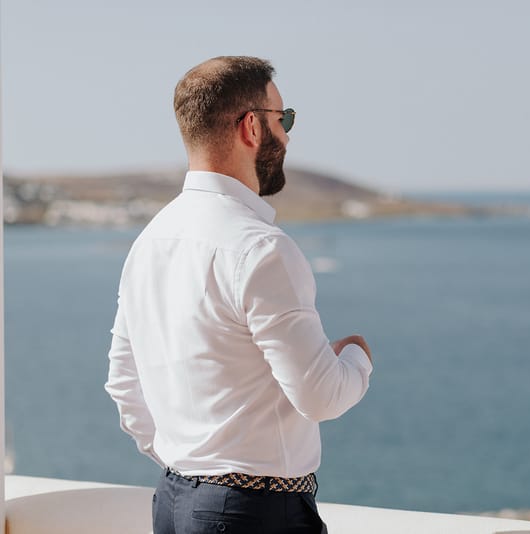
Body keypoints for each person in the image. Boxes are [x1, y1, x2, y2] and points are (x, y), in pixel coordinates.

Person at [105, 56, 373, 534]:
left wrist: (189, 464)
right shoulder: (261, 248)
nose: (287, 135)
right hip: (253, 513)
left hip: (173, 501)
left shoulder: (148, 241)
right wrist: (357, 358)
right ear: (252, 127)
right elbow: (321, 397)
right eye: (284, 119)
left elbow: (124, 385)